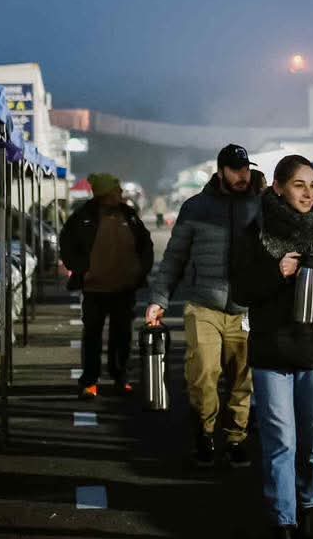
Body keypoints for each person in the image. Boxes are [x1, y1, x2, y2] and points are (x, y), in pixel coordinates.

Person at [231, 155, 313, 539]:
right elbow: (241, 289)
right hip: (273, 351)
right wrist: (277, 271)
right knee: (281, 443)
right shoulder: (256, 231)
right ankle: (283, 527)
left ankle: (308, 516)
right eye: (299, 185)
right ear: (279, 187)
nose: (308, 193)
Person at [146, 144, 262, 466]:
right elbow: (175, 257)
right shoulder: (195, 207)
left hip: (245, 308)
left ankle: (236, 438)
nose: (243, 175)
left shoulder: (260, 206)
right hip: (203, 306)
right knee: (203, 373)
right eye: (236, 169)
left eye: (246, 169)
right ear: (221, 171)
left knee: (243, 378)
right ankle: (205, 433)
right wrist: (158, 299)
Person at [59, 173, 154, 398]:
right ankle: (89, 381)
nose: (120, 194)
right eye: (116, 190)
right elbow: (67, 243)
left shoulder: (129, 214)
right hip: (94, 289)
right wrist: (81, 268)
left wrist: (140, 270)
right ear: (104, 194)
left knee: (122, 336)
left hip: (124, 288)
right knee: (92, 336)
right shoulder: (83, 216)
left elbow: (145, 244)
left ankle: (120, 378)